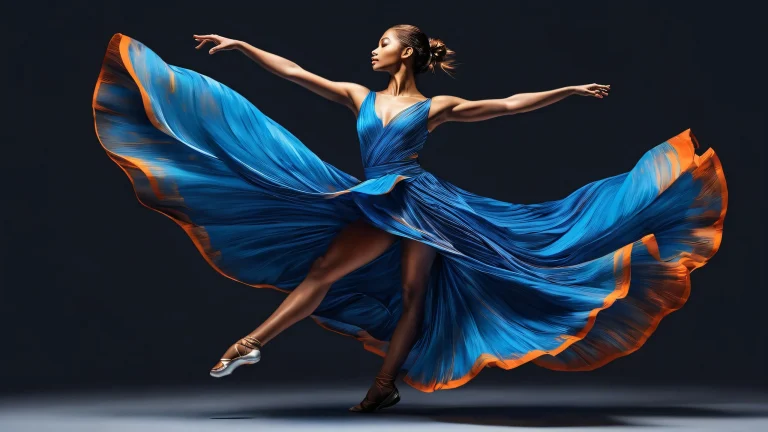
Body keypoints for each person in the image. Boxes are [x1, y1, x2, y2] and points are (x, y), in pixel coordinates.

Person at [92, 24, 728, 413]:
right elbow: (295, 73)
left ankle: (296, 356)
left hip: (416, 201)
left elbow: (506, 105)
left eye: (383, 42)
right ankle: (320, 364)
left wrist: (566, 91)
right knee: (360, 280)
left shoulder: (437, 106)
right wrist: (243, 46)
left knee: (400, 289)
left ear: (407, 53)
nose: (372, 49)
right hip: (384, 195)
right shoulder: (359, 97)